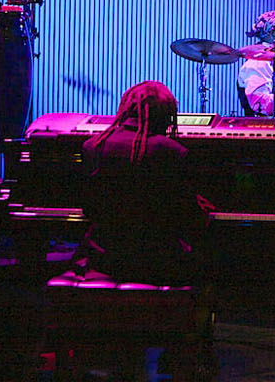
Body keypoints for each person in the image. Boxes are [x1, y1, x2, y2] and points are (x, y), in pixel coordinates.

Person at [74, 81, 208, 285]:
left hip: (103, 259)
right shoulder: (172, 151)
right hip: (158, 263)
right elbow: (186, 216)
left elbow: (89, 208)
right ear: (165, 114)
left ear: (126, 109)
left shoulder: (92, 146)